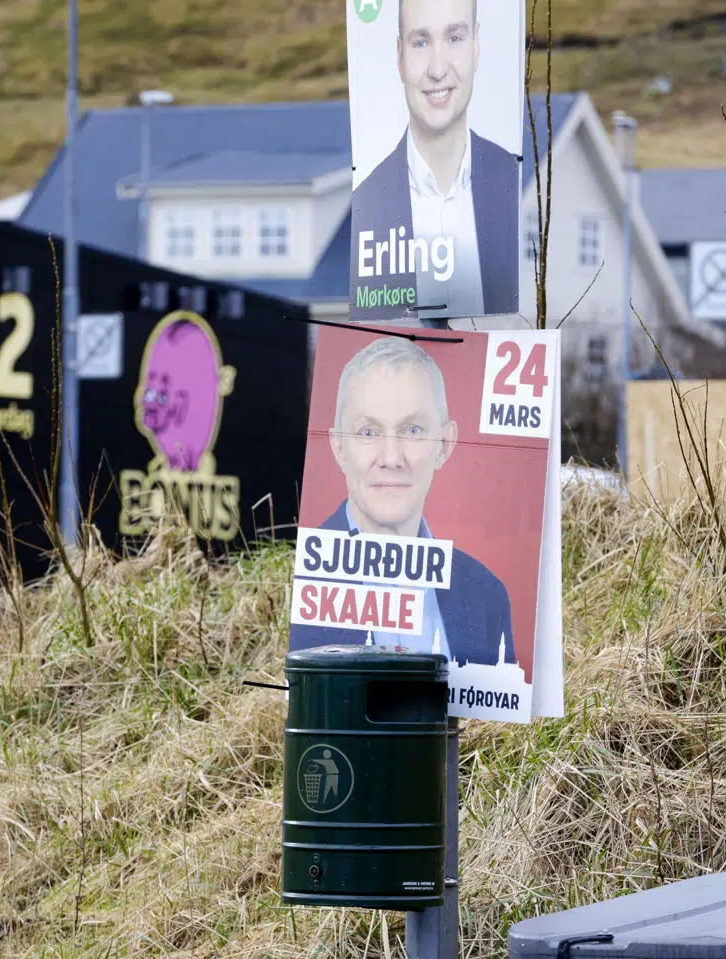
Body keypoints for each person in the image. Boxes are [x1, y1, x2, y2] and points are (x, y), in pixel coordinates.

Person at [288, 336, 515, 667]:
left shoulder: (486, 595)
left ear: (445, 443)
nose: (391, 458)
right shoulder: (298, 581)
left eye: (412, 429)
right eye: (367, 433)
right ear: (338, 447)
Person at [347, 0, 519, 323]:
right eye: (421, 42)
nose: (438, 69)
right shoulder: (368, 203)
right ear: (399, 56)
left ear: (476, 45)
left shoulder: (511, 178)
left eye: (454, 38)